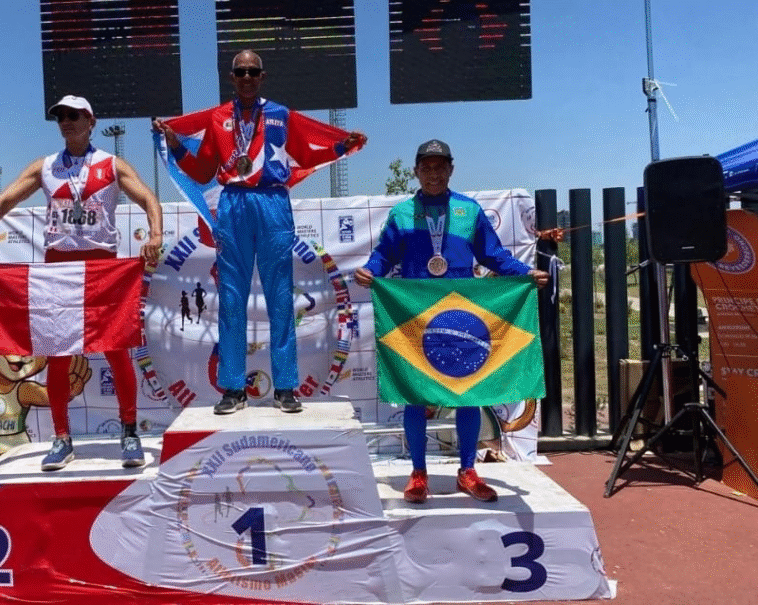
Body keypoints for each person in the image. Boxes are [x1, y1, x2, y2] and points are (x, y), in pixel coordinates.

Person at [153, 50, 367, 415]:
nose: (247, 77)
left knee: (280, 296)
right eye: (241, 72)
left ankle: (285, 386)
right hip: (233, 205)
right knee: (231, 298)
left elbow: (305, 155)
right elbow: (203, 171)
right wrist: (176, 146)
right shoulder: (219, 117)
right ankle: (233, 388)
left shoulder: (281, 114)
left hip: (272, 203)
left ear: (262, 76)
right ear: (232, 77)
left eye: (253, 71)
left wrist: (339, 148)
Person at [0, 95, 163, 471]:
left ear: (91, 121)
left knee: (117, 350)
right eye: (60, 116)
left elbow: (149, 197)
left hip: (101, 268)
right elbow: (4, 201)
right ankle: (61, 438)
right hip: (59, 267)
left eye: (74, 115)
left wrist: (156, 234)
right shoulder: (45, 166)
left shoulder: (111, 164)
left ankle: (130, 431)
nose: (66, 121)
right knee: (58, 354)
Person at [354, 139, 549, 503]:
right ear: (416, 172)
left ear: (451, 170)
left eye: (440, 167)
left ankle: (468, 471)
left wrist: (525, 273)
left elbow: (494, 256)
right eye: (427, 168)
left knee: (468, 394)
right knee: (415, 395)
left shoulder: (468, 210)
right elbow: (383, 257)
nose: (434, 174)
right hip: (415, 318)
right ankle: (418, 473)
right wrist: (369, 270)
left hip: (461, 317)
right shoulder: (402, 214)